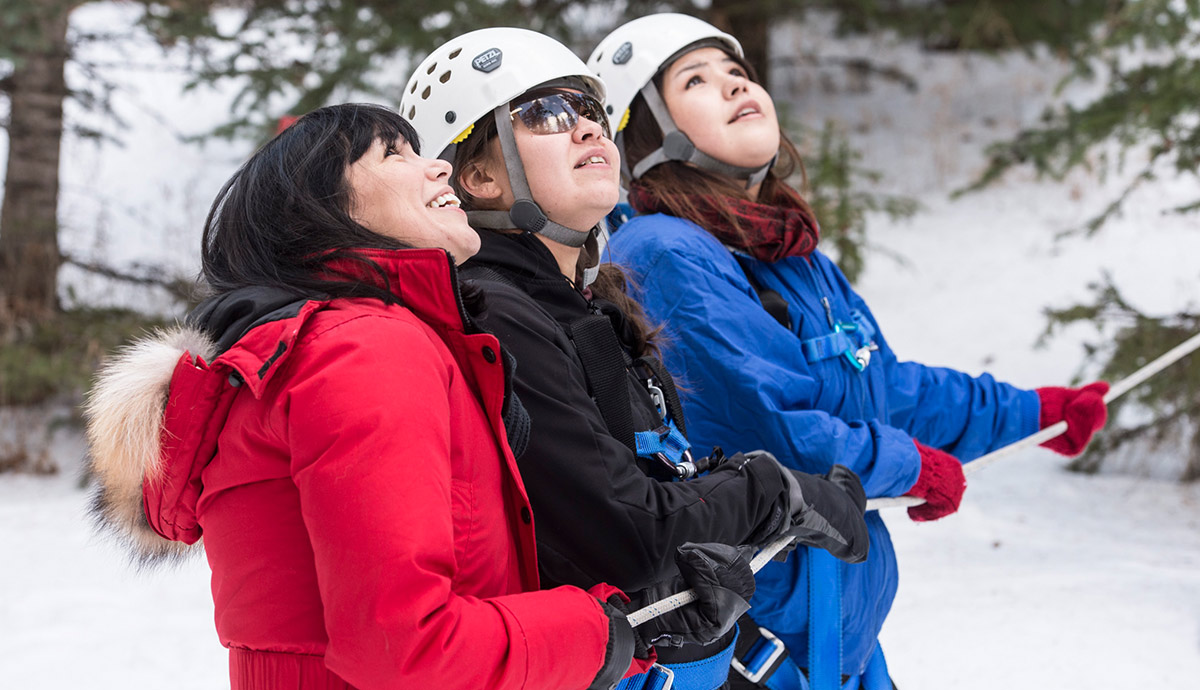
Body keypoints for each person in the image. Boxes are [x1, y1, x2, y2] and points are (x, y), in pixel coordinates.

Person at [82, 103, 764, 690]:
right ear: (325, 211)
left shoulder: (311, 355)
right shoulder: (364, 352)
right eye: (396, 153)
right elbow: (407, 645)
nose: (437, 166)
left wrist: (633, 617)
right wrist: (616, 631)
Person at [588, 13, 1110, 690]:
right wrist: (906, 464)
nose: (735, 87)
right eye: (696, 79)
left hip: (834, 629)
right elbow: (770, 432)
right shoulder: (663, 253)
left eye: (738, 73)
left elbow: (887, 390)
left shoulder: (790, 256)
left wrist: (1035, 412)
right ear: (648, 133)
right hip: (749, 639)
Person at [400, 28, 872, 690]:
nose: (586, 128)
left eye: (590, 111)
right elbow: (626, 532)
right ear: (478, 176)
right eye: (547, 114)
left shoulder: (584, 311)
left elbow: (639, 492)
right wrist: (776, 492)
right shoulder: (498, 318)